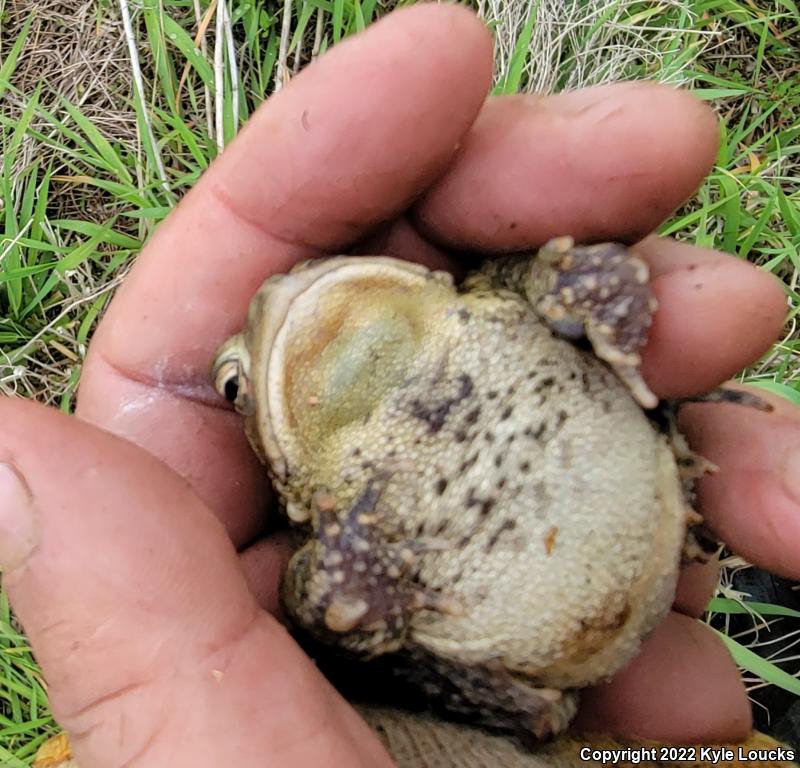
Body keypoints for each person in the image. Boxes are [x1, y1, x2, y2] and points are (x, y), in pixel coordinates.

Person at [0, 5, 795, 766]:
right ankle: (684, 749)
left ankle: (685, 737)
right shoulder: (332, 511)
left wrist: (577, 290)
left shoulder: (490, 300)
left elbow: (589, 281)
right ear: (275, 457)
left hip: (622, 537)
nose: (277, 302)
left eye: (310, 275)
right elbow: (338, 615)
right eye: (234, 379)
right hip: (533, 669)